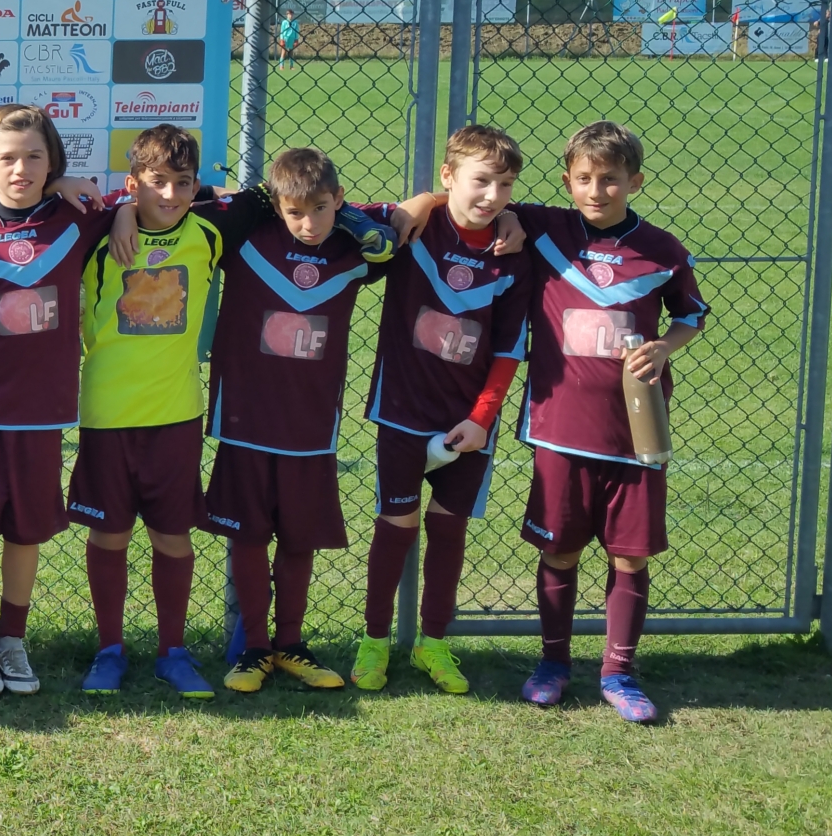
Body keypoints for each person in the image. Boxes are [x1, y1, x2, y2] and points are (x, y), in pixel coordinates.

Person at [407, 122, 707, 723]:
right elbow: (471, 194)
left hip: (635, 433)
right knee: (560, 550)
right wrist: (422, 200)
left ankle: (620, 671)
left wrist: (667, 347)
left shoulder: (663, 250)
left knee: (629, 557)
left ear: (635, 182)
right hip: (559, 426)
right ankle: (553, 662)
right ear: (567, 181)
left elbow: (692, 315)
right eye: (585, 179)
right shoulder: (545, 228)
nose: (597, 190)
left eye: (611, 180)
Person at [0, 105, 117, 697]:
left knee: (26, 531)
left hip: (44, 408)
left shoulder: (79, 219)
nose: (22, 169)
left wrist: (74, 191)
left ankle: (14, 639)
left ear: (53, 161)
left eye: (35, 156)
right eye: (8, 158)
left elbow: (153, 207)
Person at [202, 148, 398, 694]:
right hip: (244, 415)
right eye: (294, 212)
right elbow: (191, 206)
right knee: (246, 534)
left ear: (339, 200)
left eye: (320, 208)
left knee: (297, 537)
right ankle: (254, 648)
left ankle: (291, 643)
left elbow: (408, 222)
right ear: (276, 206)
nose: (308, 224)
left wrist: (358, 218)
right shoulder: (244, 240)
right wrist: (254, 198)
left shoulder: (356, 252)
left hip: (312, 423)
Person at [352, 125, 531, 695]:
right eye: (480, 181)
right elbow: (328, 207)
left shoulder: (515, 253)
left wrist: (482, 417)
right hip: (402, 410)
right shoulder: (416, 231)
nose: (492, 196)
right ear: (449, 176)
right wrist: (420, 201)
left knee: (448, 531)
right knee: (395, 526)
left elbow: (507, 348)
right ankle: (374, 641)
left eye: (504, 186)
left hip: (469, 424)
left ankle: (433, 644)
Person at [72, 123, 221, 700]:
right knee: (109, 536)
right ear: (134, 182)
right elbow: (30, 203)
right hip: (107, 413)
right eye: (157, 182)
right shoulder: (94, 233)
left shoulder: (210, 231)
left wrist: (429, 200)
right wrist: (115, 212)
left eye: (182, 183)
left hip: (176, 415)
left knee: (172, 537)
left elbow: (285, 197)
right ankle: (109, 649)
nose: (171, 195)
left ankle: (172, 652)